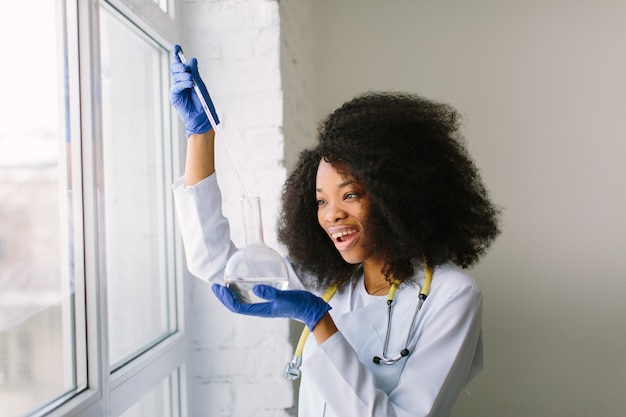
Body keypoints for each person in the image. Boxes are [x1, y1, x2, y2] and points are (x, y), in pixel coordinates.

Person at [169, 45, 501, 417]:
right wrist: (200, 136)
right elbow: (216, 264)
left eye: (351, 195)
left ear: (397, 196)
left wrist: (319, 320)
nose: (332, 216)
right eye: (321, 201)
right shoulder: (327, 279)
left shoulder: (452, 295)